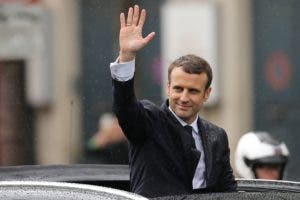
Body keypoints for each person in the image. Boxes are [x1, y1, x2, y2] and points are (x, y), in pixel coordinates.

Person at [110, 5, 236, 197]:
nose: (184, 98)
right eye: (178, 89)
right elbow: (125, 107)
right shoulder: (149, 122)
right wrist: (127, 56)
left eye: (193, 91)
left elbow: (228, 192)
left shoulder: (217, 137)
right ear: (168, 87)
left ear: (206, 94)